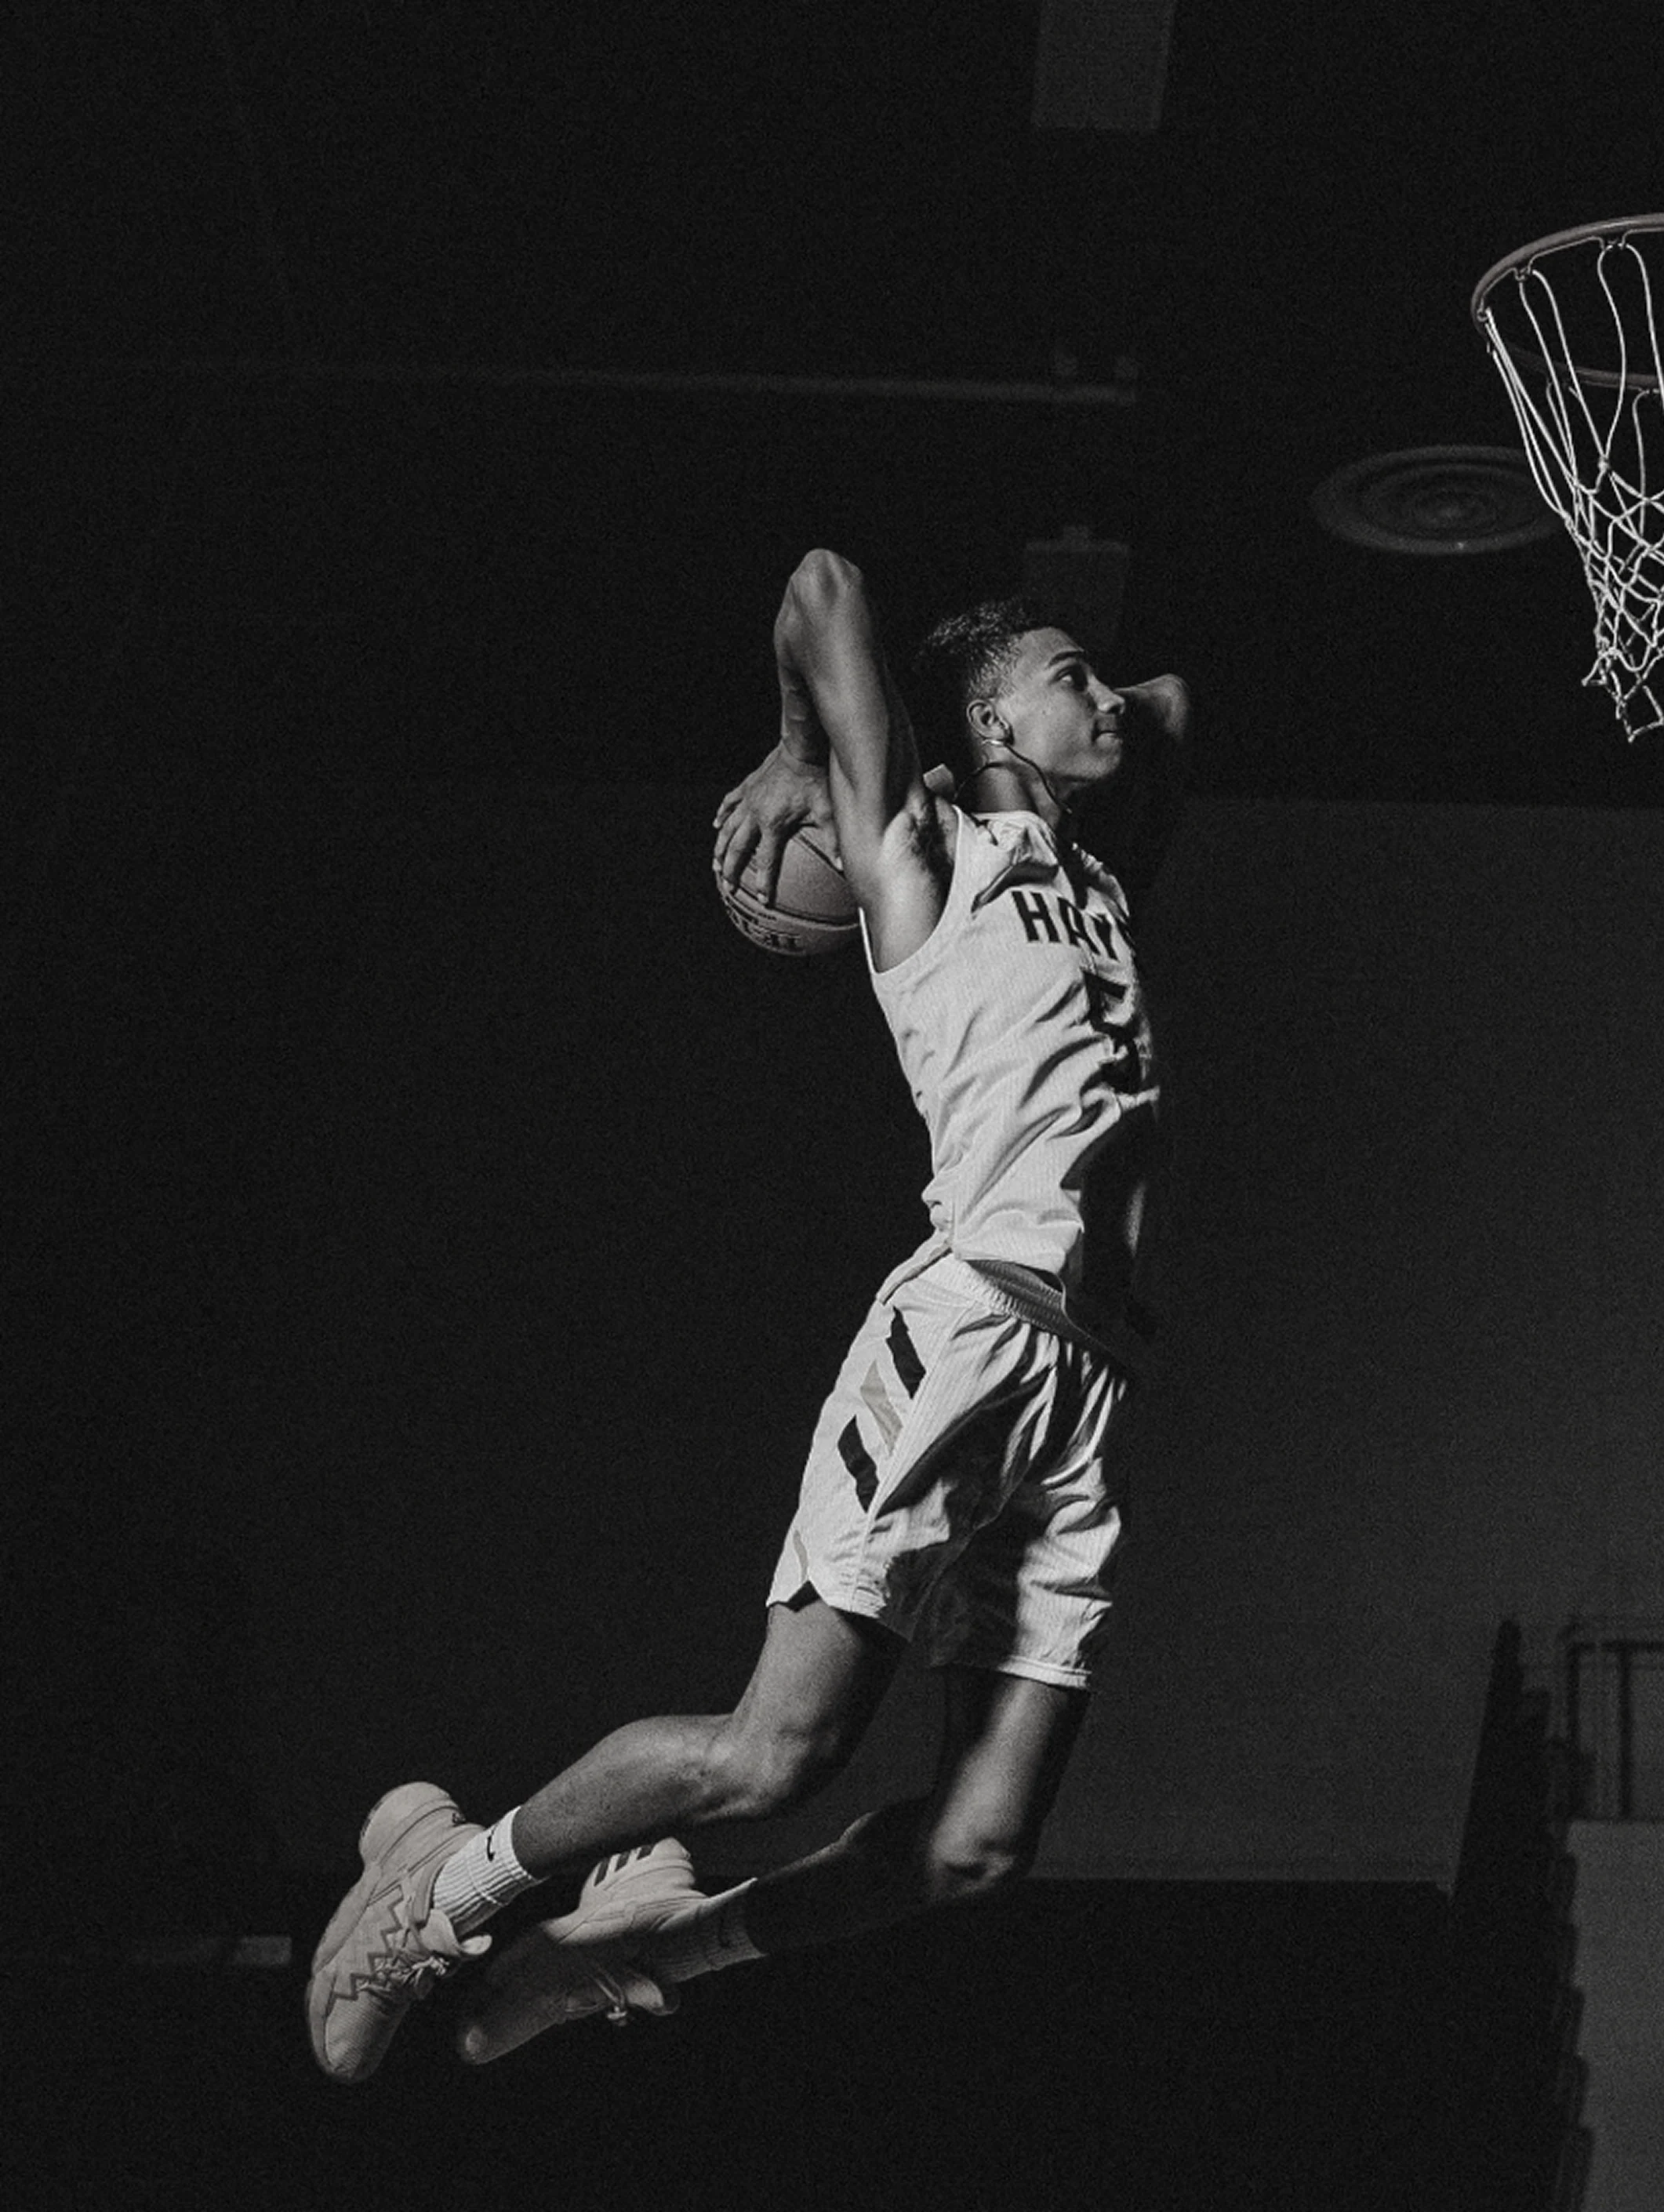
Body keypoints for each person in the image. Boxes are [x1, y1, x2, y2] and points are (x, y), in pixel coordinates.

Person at [304, 548, 1189, 2082]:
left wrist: (1083, 699)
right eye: (1068, 681)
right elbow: (826, 583)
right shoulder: (919, 853)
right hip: (969, 1333)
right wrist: (805, 753)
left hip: (1090, 1393)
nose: (1105, 695)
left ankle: (637, 1944)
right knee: (767, 1758)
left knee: (976, 1851)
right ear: (977, 729)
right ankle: (444, 1890)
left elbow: (1167, 708)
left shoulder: (1097, 884)